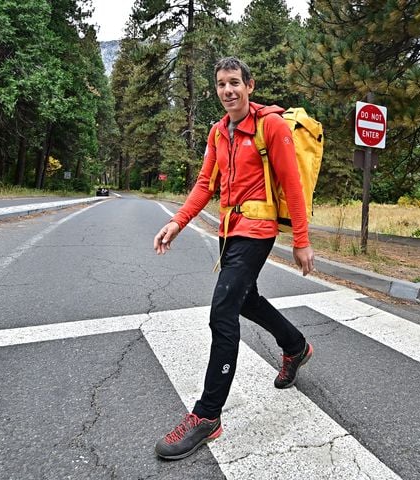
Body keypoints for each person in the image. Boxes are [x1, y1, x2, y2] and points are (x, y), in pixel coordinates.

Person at [152, 57, 316, 460]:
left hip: (257, 232)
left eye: (234, 83)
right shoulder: (217, 133)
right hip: (229, 232)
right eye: (221, 84)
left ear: (250, 85)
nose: (228, 91)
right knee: (245, 300)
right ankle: (295, 346)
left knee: (222, 312)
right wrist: (178, 222)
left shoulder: (271, 127)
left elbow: (292, 184)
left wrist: (301, 239)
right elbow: (205, 184)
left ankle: (207, 415)